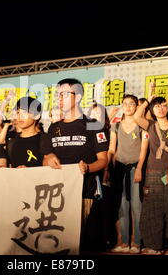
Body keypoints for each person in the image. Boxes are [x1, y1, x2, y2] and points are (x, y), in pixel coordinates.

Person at [41, 78, 108, 251]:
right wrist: (49, 157)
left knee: (84, 244)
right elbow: (45, 160)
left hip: (85, 194)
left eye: (64, 94)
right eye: (58, 95)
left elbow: (103, 160)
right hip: (57, 196)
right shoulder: (53, 128)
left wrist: (87, 168)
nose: (60, 99)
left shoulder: (94, 125)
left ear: (77, 97)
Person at [133, 87, 168, 255]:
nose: (160, 109)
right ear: (152, 111)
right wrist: (148, 100)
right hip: (152, 173)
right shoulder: (150, 125)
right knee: (152, 210)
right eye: (157, 107)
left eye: (163, 106)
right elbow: (136, 116)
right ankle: (154, 245)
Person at [108, 94, 148, 254]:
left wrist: (139, 168)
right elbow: (112, 148)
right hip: (119, 170)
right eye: (125, 104)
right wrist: (107, 169)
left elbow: (144, 149)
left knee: (137, 207)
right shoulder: (116, 126)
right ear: (122, 106)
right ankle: (124, 242)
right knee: (122, 207)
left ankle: (136, 242)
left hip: (135, 169)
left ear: (136, 106)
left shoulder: (142, 125)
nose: (129, 106)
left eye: (132, 104)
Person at [7, 97, 44, 168]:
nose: (20, 116)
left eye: (25, 112)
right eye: (18, 112)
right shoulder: (12, 142)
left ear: (36, 115)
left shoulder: (44, 141)